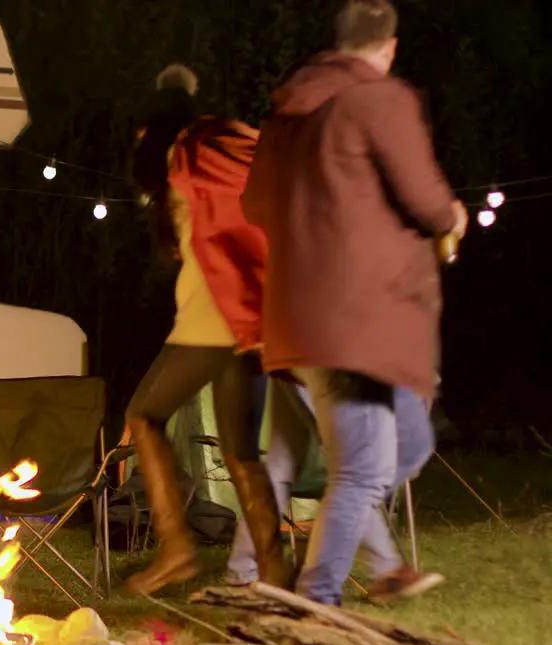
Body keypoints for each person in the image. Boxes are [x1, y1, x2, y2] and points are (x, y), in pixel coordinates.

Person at [242, 0, 468, 606]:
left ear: (336, 45)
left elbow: (254, 207)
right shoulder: (380, 100)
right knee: (363, 471)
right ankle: (316, 604)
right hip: (359, 322)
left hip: (300, 320)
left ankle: (348, 554)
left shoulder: (286, 115)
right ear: (390, 46)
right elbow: (426, 202)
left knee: (410, 444)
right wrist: (454, 216)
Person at [120, 64, 289, 596]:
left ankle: (176, 548)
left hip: (213, 311)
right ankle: (276, 573)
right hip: (256, 312)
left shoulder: (179, 157)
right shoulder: (228, 146)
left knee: (143, 416)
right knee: (241, 451)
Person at [226, 378, 445, 602]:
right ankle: (385, 572)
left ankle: (243, 570)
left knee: (283, 465)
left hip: (291, 358)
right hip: (325, 359)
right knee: (355, 473)